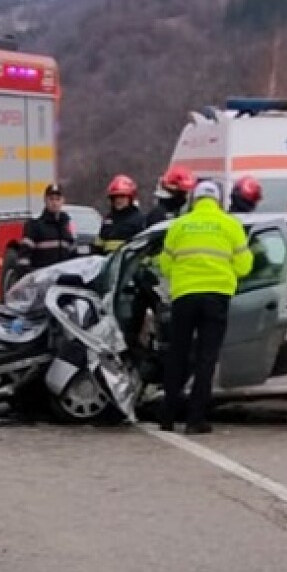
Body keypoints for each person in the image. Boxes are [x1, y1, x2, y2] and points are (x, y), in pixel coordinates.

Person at [155, 179, 253, 435]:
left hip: (185, 296)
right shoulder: (230, 225)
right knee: (206, 358)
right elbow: (245, 266)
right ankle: (195, 419)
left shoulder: (180, 225)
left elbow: (164, 264)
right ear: (218, 201)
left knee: (178, 354)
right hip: (216, 296)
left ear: (194, 200)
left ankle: (167, 416)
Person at [21, 183, 76, 270]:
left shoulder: (66, 225)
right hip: (41, 279)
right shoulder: (34, 225)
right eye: (51, 199)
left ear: (63, 201)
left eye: (58, 199)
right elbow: (24, 259)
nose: (54, 203)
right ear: (45, 200)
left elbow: (73, 254)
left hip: (63, 279)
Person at [97, 175, 146, 252]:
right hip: (107, 262)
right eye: (115, 197)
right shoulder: (108, 219)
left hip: (127, 263)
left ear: (130, 198)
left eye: (122, 197)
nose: (118, 200)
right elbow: (98, 244)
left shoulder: (139, 220)